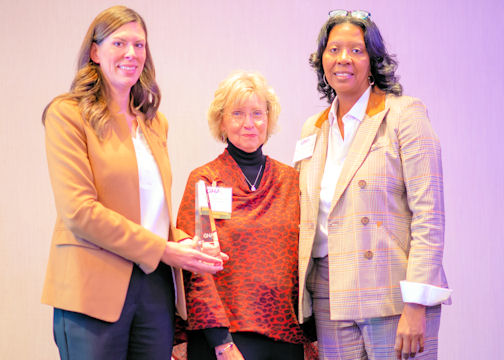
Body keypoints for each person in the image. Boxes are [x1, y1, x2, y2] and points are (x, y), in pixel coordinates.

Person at [41, 6, 225, 359]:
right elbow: (79, 212)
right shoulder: (67, 114)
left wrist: (188, 244)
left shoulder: (155, 123)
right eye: (119, 43)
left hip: (153, 289)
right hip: (91, 289)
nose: (131, 54)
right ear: (95, 52)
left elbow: (151, 212)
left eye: (139, 45)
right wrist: (166, 251)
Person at [296, 10, 452, 360]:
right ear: (321, 59)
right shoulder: (313, 128)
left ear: (373, 60)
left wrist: (416, 304)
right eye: (334, 49)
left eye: (356, 50)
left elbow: (429, 215)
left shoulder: (404, 116)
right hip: (328, 294)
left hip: (393, 293)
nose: (343, 59)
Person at [176, 71, 309, 360]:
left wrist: (312, 336)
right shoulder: (205, 180)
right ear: (221, 120)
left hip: (287, 337)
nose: (249, 123)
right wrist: (221, 342)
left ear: (269, 119)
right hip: (224, 340)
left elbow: (306, 260)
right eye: (238, 113)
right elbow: (194, 268)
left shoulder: (292, 181)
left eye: (257, 113)